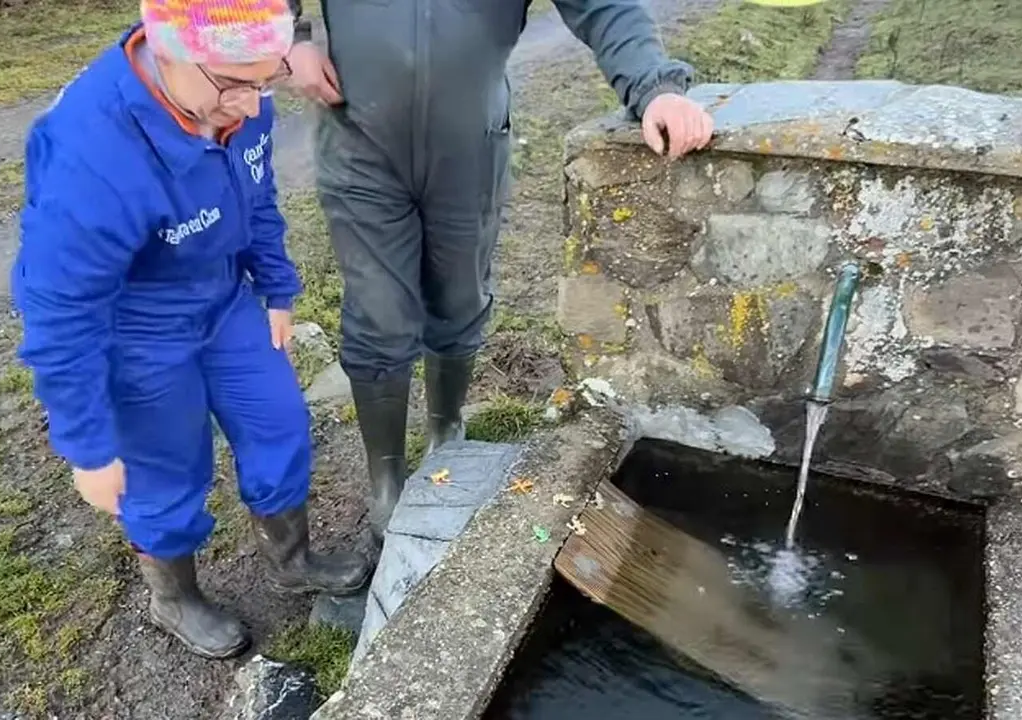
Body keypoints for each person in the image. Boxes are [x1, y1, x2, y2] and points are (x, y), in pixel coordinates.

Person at [281, 0, 714, 552]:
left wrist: (656, 87)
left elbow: (602, 7)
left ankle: (446, 433)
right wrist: (290, 39)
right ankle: (385, 478)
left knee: (459, 299)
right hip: (360, 145)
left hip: (470, 147)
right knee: (379, 318)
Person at [11, 0, 370, 660]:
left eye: (268, 80)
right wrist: (87, 445)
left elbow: (256, 195)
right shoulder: (90, 154)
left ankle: (291, 559)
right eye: (235, 84)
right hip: (135, 329)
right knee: (165, 473)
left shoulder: (241, 99)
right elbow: (60, 312)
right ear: (168, 49)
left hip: (224, 300)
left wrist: (277, 285)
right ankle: (173, 597)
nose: (252, 105)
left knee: (280, 424)